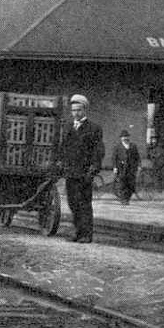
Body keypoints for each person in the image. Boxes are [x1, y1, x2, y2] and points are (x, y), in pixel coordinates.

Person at [58, 94, 104, 243]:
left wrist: (93, 169)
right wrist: (61, 163)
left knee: (84, 204)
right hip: (71, 172)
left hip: (85, 173)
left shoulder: (94, 128)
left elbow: (98, 151)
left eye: (78, 110)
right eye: (73, 110)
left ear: (85, 110)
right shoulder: (68, 127)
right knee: (73, 203)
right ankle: (78, 232)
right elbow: (63, 148)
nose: (75, 113)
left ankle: (87, 235)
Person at [112, 130, 140, 205]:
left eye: (126, 137)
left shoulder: (133, 146)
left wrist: (139, 166)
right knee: (122, 183)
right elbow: (114, 158)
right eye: (123, 137)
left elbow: (137, 157)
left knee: (130, 184)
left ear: (128, 137)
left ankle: (127, 198)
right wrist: (115, 167)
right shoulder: (117, 147)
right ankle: (123, 199)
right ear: (121, 138)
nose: (125, 138)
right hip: (121, 168)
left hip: (131, 168)